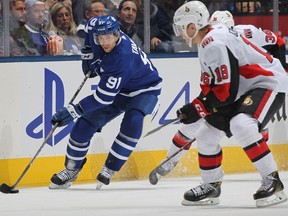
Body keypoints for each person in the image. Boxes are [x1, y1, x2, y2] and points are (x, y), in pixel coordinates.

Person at [163, 0, 287, 207]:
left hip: (267, 82)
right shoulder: (208, 41)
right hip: (243, 89)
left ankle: (272, 180)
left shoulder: (214, 42)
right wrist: (195, 107)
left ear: (193, 26)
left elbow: (225, 91)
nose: (179, 34)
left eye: (180, 28)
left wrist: (198, 108)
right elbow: (213, 87)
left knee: (242, 124)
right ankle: (211, 185)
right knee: (206, 134)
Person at [49, 15, 162, 190]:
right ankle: (71, 170)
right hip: (120, 89)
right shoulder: (96, 27)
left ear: (118, 34)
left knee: (133, 123)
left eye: (109, 37)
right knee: (84, 125)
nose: (104, 42)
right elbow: (84, 28)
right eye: (100, 38)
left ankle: (109, 168)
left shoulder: (122, 57)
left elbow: (103, 98)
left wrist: (74, 110)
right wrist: (87, 51)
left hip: (145, 89)